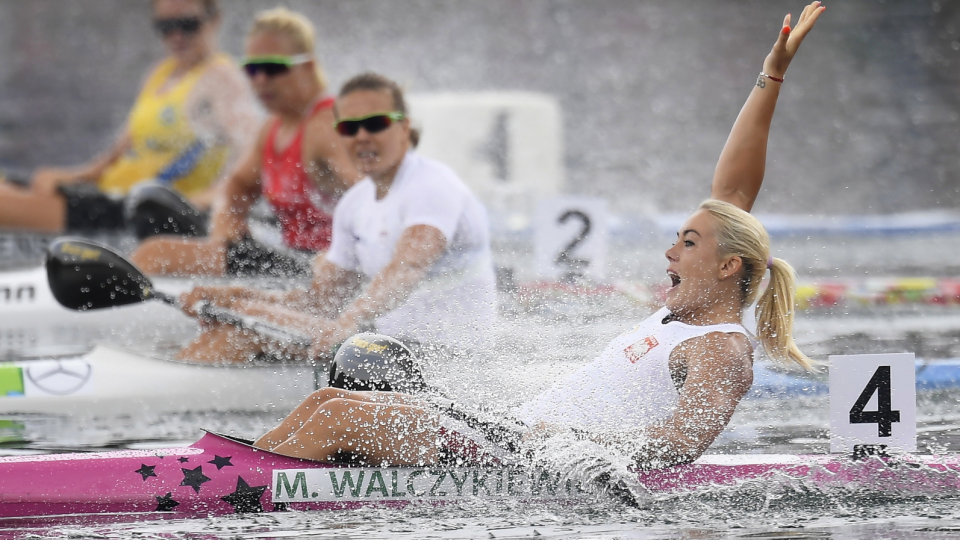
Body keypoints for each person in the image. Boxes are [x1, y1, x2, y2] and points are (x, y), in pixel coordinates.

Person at [251, 2, 826, 474]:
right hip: (509, 435)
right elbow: (735, 185)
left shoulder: (721, 348)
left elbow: (679, 449)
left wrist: (574, 448)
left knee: (338, 418)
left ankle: (243, 481)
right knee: (331, 399)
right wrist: (772, 73)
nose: (670, 252)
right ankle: (246, 466)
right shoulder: (686, 319)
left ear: (729, 267)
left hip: (526, 463)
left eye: (690, 244)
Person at [177, 72, 497, 360]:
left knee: (247, 325)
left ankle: (182, 395)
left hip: (449, 358)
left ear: (404, 128)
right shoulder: (354, 205)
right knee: (241, 313)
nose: (361, 137)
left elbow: (409, 266)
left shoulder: (431, 187)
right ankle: (184, 381)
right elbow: (321, 301)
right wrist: (235, 296)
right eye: (349, 127)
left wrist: (351, 321)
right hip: (386, 344)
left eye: (375, 124)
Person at [131, 7, 361, 277]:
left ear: (308, 67)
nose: (260, 80)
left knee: (155, 254)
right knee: (157, 224)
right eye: (252, 69)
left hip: (325, 272)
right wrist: (227, 221)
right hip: (290, 259)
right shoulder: (273, 129)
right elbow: (237, 187)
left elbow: (381, 200)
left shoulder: (325, 127)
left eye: (274, 68)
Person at [0, 0, 260, 234]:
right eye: (165, 27)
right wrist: (73, 177)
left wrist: (215, 198)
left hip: (145, 210)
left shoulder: (222, 79)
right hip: (110, 194)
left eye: (187, 24)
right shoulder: (160, 73)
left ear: (214, 20)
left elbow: (255, 148)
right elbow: (117, 153)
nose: (177, 36)